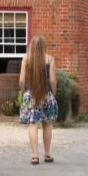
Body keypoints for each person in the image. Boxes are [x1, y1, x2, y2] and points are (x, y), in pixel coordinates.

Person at [18, 35, 58, 164]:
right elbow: (52, 80)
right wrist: (53, 94)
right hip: (47, 95)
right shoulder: (50, 59)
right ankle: (47, 154)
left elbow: (22, 80)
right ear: (44, 46)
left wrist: (25, 93)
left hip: (31, 95)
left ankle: (35, 156)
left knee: (33, 124)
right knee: (47, 124)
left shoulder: (26, 59)